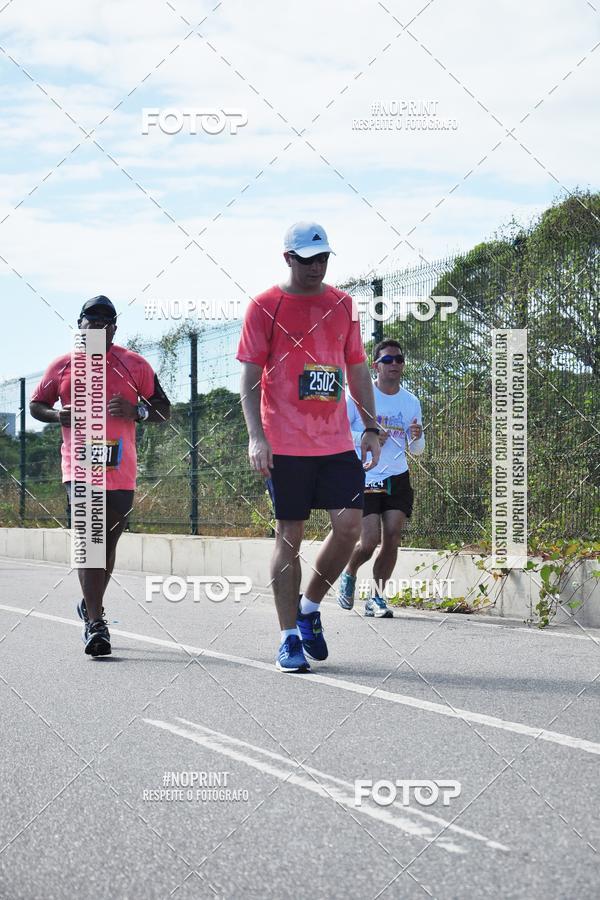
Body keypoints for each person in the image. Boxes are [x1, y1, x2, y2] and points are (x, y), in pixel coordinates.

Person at [237, 222, 381, 673]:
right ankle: (287, 639)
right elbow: (249, 378)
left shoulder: (342, 304)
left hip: (335, 441)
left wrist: (371, 427)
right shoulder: (264, 306)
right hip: (284, 443)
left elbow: (357, 369)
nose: (316, 267)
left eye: (322, 259)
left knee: (350, 528)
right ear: (288, 259)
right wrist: (256, 436)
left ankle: (309, 608)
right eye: (307, 260)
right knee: (290, 535)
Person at [30, 295, 171, 656]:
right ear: (79, 327)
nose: (95, 329)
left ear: (114, 329)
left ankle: (89, 603)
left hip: (120, 471)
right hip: (78, 469)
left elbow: (163, 409)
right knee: (90, 540)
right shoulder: (62, 366)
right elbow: (37, 405)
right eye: (89, 323)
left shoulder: (134, 364)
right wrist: (56, 416)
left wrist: (137, 411)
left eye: (103, 324)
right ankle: (96, 623)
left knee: (106, 545)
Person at [338, 338, 425, 617]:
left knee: (393, 537)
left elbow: (417, 450)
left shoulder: (411, 401)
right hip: (366, 475)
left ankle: (376, 598)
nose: (394, 364)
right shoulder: (358, 397)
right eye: (388, 360)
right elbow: (339, 433)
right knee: (368, 542)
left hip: (397, 476)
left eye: (399, 359)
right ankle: (350, 571)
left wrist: (417, 437)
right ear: (376, 366)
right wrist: (368, 436)